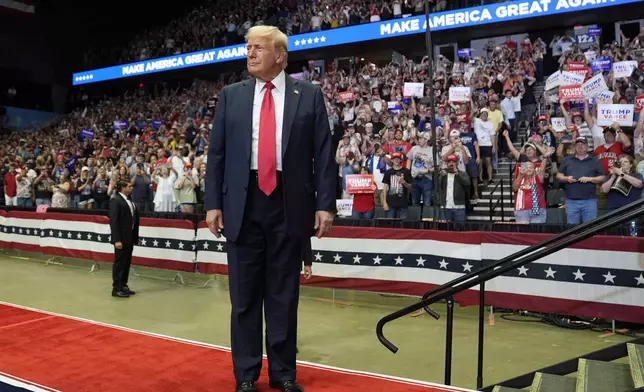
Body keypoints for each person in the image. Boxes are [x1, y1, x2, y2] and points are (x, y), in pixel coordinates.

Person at [204, 26, 335, 392]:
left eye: (258, 48)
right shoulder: (231, 96)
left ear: (279, 55)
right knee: (243, 297)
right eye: (248, 48)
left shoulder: (308, 95)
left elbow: (323, 154)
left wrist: (325, 205)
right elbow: (217, 154)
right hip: (242, 203)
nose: (250, 54)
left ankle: (283, 373)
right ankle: (246, 375)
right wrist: (212, 203)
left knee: (283, 294)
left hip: (289, 204)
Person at [108, 180, 140, 299]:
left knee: (127, 262)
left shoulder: (129, 201)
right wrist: (116, 239)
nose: (132, 188)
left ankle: (124, 285)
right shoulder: (115, 200)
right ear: (122, 188)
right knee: (119, 263)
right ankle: (116, 288)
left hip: (129, 237)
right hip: (120, 238)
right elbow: (114, 221)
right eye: (129, 186)